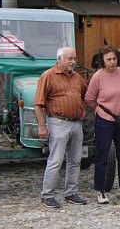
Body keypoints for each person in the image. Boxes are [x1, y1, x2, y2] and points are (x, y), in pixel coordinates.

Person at [34, 46, 89, 208]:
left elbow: (86, 95)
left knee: (74, 161)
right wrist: (42, 126)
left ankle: (71, 193)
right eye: (69, 59)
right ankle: (47, 195)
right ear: (59, 59)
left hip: (76, 124)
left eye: (74, 59)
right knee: (56, 161)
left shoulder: (77, 77)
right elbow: (38, 104)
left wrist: (83, 109)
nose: (73, 62)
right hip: (58, 123)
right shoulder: (48, 76)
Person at [84, 45, 120, 204]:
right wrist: (100, 112)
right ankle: (100, 191)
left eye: (114, 59)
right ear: (102, 60)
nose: (112, 62)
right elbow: (89, 99)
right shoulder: (98, 77)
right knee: (102, 157)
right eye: (108, 59)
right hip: (105, 122)